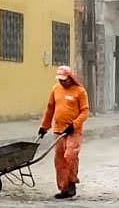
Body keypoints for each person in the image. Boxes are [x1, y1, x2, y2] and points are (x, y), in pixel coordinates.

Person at [38, 66, 89, 199]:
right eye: (60, 80)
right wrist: (44, 126)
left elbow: (85, 112)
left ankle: (72, 182)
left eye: (64, 80)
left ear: (70, 78)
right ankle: (64, 188)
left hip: (73, 131)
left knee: (70, 155)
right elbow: (50, 109)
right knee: (60, 160)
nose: (62, 82)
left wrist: (74, 124)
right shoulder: (55, 89)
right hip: (58, 130)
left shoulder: (80, 91)